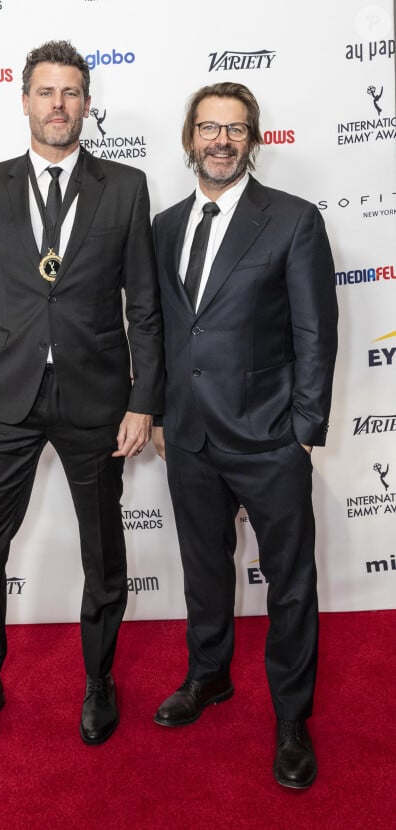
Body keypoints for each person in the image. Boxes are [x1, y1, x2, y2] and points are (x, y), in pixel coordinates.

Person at [0, 40, 163, 757]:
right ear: (26, 100)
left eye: (71, 92)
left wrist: (143, 400)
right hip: (3, 396)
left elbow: (145, 308)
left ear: (87, 105)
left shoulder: (125, 187)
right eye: (46, 92)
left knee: (104, 554)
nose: (58, 105)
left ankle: (98, 682)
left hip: (97, 398)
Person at [151, 82, 337, 789]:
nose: (220, 140)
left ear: (252, 139)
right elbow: (167, 331)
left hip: (269, 438)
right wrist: (164, 413)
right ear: (189, 138)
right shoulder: (165, 225)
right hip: (190, 437)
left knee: (290, 584)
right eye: (208, 128)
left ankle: (292, 716)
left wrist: (303, 432)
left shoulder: (292, 220)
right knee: (204, 570)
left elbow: (316, 332)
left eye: (234, 129)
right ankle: (209, 677)